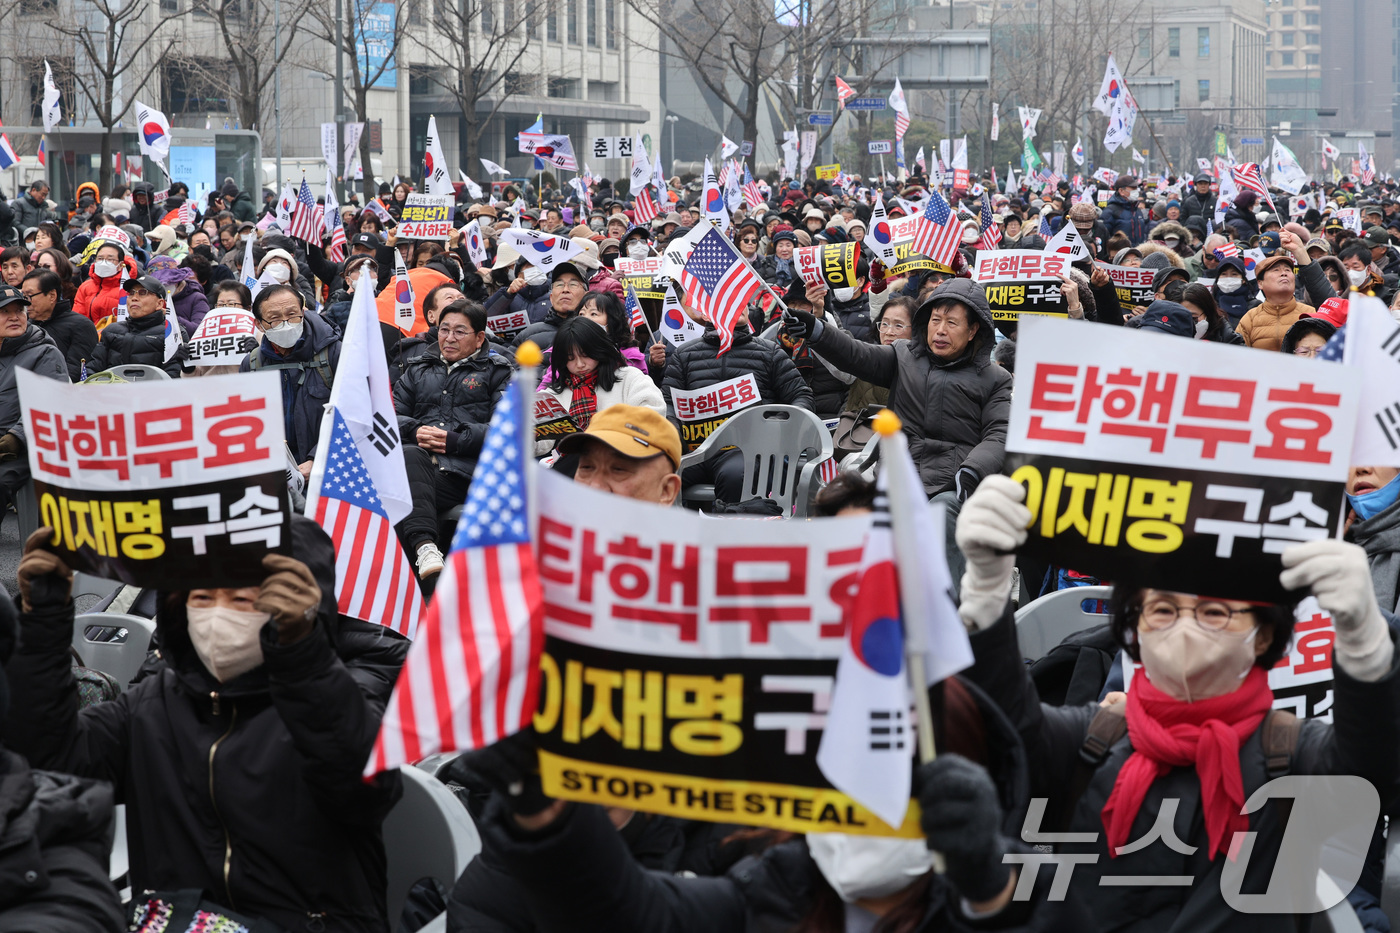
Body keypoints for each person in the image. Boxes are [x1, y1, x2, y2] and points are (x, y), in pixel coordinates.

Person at [950, 475, 1400, 931]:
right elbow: (1004, 734)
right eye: (1162, 610)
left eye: (1214, 612)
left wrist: (1363, 643)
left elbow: (1370, 765)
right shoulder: (1092, 741)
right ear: (1133, 629)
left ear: (1263, 634)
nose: (1185, 629)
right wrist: (986, 594)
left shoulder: (1293, 755)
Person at [4, 517, 405, 932]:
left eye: (243, 600)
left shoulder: (333, 696)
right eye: (202, 596)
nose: (217, 616)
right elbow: (49, 760)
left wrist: (306, 659)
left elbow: (365, 795)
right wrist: (41, 629)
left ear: (291, 609)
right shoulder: (151, 703)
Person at [786, 279, 1011, 585]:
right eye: (935, 321)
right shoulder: (904, 356)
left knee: (940, 515)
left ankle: (945, 612)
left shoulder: (995, 378)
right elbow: (856, 354)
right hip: (898, 476)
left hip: (953, 484)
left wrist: (971, 471)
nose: (941, 330)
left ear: (973, 331)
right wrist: (816, 330)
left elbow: (1000, 433)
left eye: (952, 323)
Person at [394, 300, 513, 580]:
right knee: (408, 463)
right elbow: (389, 417)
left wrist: (455, 441)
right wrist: (413, 431)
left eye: (460, 332)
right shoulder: (416, 369)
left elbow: (505, 429)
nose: (449, 338)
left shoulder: (498, 371)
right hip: (418, 467)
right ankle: (424, 555)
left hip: (466, 473)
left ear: (479, 337)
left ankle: (421, 557)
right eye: (444, 329)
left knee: (401, 491)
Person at [661, 291, 813, 504]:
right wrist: (674, 433)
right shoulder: (684, 355)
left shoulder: (769, 353)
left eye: (741, 301)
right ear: (706, 315)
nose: (738, 306)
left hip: (747, 452)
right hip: (694, 452)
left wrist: (775, 426)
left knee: (736, 477)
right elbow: (668, 403)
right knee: (655, 476)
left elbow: (801, 396)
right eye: (727, 300)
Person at [239, 284, 339, 479]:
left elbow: (353, 414)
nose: (286, 323)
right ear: (259, 324)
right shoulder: (252, 363)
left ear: (303, 312)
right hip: (276, 475)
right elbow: (246, 423)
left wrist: (318, 458)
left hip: (329, 471)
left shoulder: (333, 353)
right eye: (274, 318)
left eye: (292, 314)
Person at [0, 284, 68, 522]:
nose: (14, 317)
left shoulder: (44, 353)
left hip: (24, 448)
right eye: (5, 312)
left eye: (19, 310)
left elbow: (52, 403)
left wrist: (17, 436)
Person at [538, 316, 663, 440]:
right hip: (574, 458)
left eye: (586, 355)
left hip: (626, 454)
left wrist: (612, 433)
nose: (580, 364)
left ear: (599, 350)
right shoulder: (551, 396)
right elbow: (541, 441)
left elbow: (654, 415)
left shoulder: (630, 378)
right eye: (571, 358)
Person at [87, 275, 186, 378]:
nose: (134, 298)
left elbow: (173, 374)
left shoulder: (172, 332)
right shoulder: (111, 330)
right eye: (131, 293)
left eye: (143, 293)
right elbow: (94, 368)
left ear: (159, 304)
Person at [21, 269, 97, 382]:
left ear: (52, 295)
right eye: (23, 296)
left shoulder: (80, 326)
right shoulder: (25, 326)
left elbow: (75, 372)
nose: (26, 302)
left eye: (30, 296)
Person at [845, 295, 914, 410]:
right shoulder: (866, 361)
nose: (889, 332)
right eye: (884, 324)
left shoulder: (923, 371)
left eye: (898, 325)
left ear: (915, 329)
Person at [1236, 253, 1314, 351]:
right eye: (1276, 270)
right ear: (1260, 283)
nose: (1284, 273)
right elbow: (1238, 356)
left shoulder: (1310, 314)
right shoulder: (1250, 319)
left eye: (1288, 270)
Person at [513, 262, 590, 351]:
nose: (565, 290)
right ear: (551, 298)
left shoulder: (594, 334)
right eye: (559, 285)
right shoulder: (528, 334)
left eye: (573, 284)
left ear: (586, 296)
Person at [72, 241, 137, 324]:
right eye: (100, 258)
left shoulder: (128, 288)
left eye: (110, 259)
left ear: (121, 265)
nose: (104, 262)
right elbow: (78, 316)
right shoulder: (85, 286)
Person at [1100, 176, 1146, 244]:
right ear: (1121, 191)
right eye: (1133, 188)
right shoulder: (1110, 211)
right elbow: (1104, 237)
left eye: (1136, 188)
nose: (1136, 191)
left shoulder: (1137, 210)